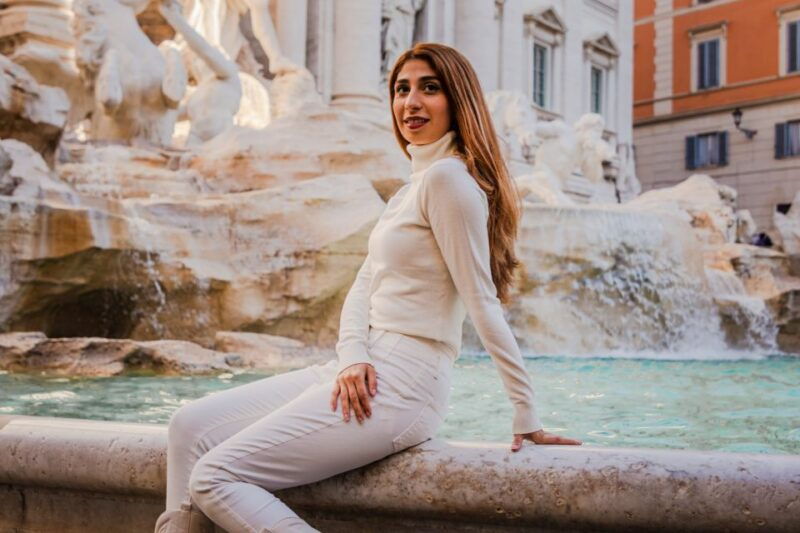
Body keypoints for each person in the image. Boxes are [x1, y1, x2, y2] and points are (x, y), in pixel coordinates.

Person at [154, 42, 581, 533]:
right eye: (401, 90)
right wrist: (353, 355)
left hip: (405, 381)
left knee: (215, 475)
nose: (411, 103)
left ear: (459, 101)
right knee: (188, 427)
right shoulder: (410, 189)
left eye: (429, 88)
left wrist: (525, 410)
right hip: (360, 368)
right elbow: (363, 287)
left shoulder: (448, 181)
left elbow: (483, 301)